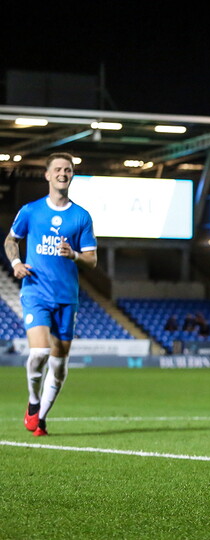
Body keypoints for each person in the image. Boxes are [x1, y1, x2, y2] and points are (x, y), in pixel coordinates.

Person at [4, 152, 97, 436]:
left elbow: (92, 260)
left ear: (71, 175)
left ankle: (40, 417)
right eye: (57, 169)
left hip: (67, 297)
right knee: (40, 351)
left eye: (67, 170)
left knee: (59, 363)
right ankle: (33, 401)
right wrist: (16, 263)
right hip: (36, 292)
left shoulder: (81, 216)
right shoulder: (31, 211)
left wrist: (75, 255)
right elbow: (11, 240)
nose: (62, 174)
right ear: (47, 175)